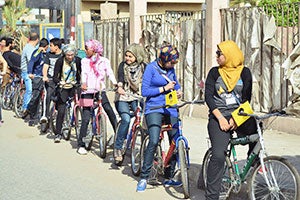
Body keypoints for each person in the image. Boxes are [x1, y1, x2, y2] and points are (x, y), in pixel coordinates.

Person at [204, 40, 257, 200]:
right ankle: (211, 196)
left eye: (219, 53)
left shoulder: (245, 72)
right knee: (219, 155)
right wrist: (220, 118)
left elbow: (246, 98)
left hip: (239, 115)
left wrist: (235, 120)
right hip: (218, 116)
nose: (217, 56)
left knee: (257, 134)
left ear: (230, 55)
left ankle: (252, 165)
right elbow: (208, 96)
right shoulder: (214, 72)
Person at [136, 45, 182, 192]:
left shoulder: (170, 69)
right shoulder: (151, 68)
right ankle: (144, 176)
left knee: (176, 140)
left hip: (170, 107)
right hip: (154, 108)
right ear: (164, 59)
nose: (173, 65)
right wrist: (163, 89)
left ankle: (169, 176)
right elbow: (145, 91)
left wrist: (178, 89)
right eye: (171, 62)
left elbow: (175, 83)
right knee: (154, 140)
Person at [77, 39, 118, 155]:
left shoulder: (104, 61)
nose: (85, 50)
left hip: (100, 90)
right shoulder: (84, 61)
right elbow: (84, 73)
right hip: (88, 91)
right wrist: (84, 83)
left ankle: (120, 139)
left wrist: (115, 83)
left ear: (94, 49)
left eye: (87, 48)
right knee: (85, 118)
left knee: (109, 110)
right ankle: (81, 144)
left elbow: (109, 72)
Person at [113, 43, 146, 164]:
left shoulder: (143, 67)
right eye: (126, 56)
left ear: (137, 56)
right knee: (126, 119)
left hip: (138, 96)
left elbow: (148, 80)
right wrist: (120, 87)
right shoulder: (123, 66)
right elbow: (120, 78)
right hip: (123, 96)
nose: (127, 58)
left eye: (130, 56)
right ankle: (118, 147)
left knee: (144, 118)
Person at [52, 44, 81, 143]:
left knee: (80, 104)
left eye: (72, 55)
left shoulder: (77, 60)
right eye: (68, 55)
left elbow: (81, 72)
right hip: (63, 87)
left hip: (74, 86)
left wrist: (80, 82)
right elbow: (55, 76)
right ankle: (58, 133)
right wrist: (59, 82)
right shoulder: (60, 61)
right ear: (64, 54)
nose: (70, 57)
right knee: (61, 110)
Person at [25, 38, 49, 126]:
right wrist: (30, 73)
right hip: (37, 77)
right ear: (46, 46)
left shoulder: (46, 54)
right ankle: (31, 116)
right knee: (35, 97)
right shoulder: (37, 52)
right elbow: (32, 62)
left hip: (45, 77)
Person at [20, 32, 39, 116]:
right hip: (27, 72)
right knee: (29, 90)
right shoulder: (29, 48)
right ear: (37, 40)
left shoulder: (30, 47)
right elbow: (31, 60)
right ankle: (25, 108)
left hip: (29, 72)